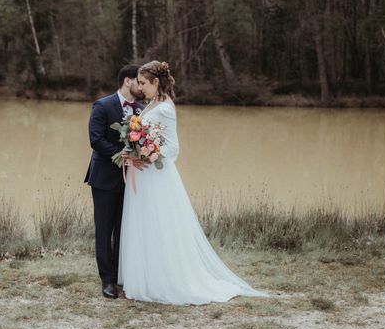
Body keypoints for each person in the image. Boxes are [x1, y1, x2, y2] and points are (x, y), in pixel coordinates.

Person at [118, 60, 270, 305]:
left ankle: (163, 280)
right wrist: (134, 151)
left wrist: (146, 153)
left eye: (144, 83)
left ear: (157, 82)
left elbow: (173, 148)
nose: (140, 87)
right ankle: (144, 277)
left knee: (159, 226)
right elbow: (144, 135)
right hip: (143, 176)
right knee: (144, 224)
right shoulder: (152, 104)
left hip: (157, 177)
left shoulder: (165, 108)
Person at [84, 65, 147, 299]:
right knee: (104, 229)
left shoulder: (141, 109)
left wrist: (141, 154)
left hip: (132, 180)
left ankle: (121, 275)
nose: (141, 86)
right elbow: (96, 140)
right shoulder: (102, 105)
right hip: (104, 177)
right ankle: (107, 280)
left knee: (124, 228)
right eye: (138, 82)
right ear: (127, 81)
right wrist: (124, 156)